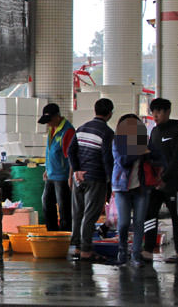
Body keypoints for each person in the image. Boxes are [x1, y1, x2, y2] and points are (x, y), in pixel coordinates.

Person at [67, 98, 115, 261]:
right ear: (110, 114)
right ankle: (86, 250)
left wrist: (77, 170)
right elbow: (107, 159)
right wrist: (112, 181)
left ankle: (77, 248)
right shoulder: (107, 133)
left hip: (78, 178)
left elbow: (70, 151)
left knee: (78, 213)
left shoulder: (81, 128)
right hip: (96, 178)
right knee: (90, 215)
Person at [144, 98, 178, 263]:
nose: (155, 115)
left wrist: (164, 178)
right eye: (153, 112)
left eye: (159, 112)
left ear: (168, 112)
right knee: (150, 215)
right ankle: (147, 250)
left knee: (177, 217)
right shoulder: (154, 132)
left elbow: (177, 160)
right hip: (154, 185)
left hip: (172, 184)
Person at [112, 114, 156, 266]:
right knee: (123, 223)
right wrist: (138, 151)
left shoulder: (145, 142)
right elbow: (123, 161)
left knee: (139, 222)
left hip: (142, 188)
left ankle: (136, 254)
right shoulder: (117, 143)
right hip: (121, 187)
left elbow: (156, 158)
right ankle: (122, 249)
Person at [38, 103, 75, 235]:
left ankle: (65, 235)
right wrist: (47, 169)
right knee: (47, 204)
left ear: (57, 117)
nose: (48, 124)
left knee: (64, 208)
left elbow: (71, 157)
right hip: (51, 175)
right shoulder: (52, 129)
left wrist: (71, 177)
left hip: (63, 177)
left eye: (50, 121)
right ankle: (52, 233)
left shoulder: (68, 131)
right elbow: (50, 152)